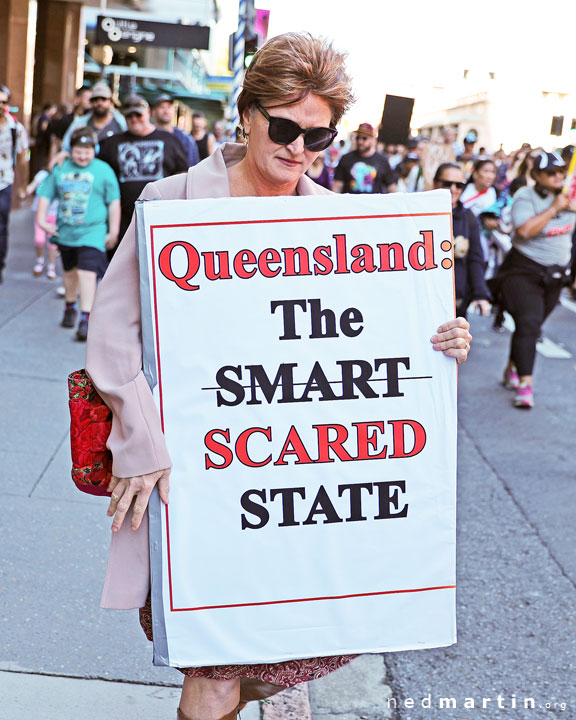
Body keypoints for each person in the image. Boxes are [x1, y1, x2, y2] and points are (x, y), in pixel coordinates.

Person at [85, 32, 472, 720]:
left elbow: (378, 334)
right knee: (213, 669)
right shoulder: (171, 202)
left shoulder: (342, 224)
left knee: (272, 660)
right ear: (247, 114)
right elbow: (113, 332)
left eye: (317, 137)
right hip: (200, 479)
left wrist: (440, 339)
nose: (298, 148)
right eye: (285, 127)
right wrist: (142, 440)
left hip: (295, 495)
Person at [495, 151, 576, 408]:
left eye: (560, 172)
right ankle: (525, 385)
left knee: (530, 326)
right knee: (529, 323)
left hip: (555, 275)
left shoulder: (569, 197)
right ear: (537, 175)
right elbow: (525, 231)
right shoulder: (525, 196)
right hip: (523, 271)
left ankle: (512, 367)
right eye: (551, 172)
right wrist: (554, 208)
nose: (557, 176)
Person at [36, 127, 120, 340]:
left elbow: (113, 202)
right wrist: (41, 220)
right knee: (70, 272)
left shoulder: (104, 170)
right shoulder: (61, 168)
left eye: (87, 150)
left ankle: (86, 317)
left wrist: (114, 230)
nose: (82, 156)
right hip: (66, 231)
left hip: (93, 231)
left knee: (87, 271)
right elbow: (46, 194)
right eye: (78, 151)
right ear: (70, 150)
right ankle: (70, 306)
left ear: (95, 149)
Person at [97, 95, 188, 254]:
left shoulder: (170, 140)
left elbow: (183, 174)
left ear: (148, 113)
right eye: (129, 116)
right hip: (124, 222)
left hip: (161, 219)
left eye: (138, 115)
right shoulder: (111, 143)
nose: (134, 119)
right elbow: (96, 170)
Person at [433, 163, 491, 318]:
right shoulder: (417, 214)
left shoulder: (468, 217)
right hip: (426, 298)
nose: (453, 189)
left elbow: (475, 258)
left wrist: (480, 293)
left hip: (456, 301)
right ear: (435, 183)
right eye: (447, 184)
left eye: (459, 185)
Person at [0, 84, 29, 283]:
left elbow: (22, 158)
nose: (0, 106)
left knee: (1, 227)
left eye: (3, 102)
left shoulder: (16, 129)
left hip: (4, 182)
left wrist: (22, 186)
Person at [332, 123, 397, 194]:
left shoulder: (382, 160)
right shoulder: (346, 158)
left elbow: (391, 186)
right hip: (349, 204)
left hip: (372, 204)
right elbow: (337, 185)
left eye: (364, 138)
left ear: (373, 139)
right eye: (358, 138)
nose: (360, 141)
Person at [19, 168, 59, 279]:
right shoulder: (42, 174)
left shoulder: (63, 175)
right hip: (40, 213)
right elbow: (30, 187)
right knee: (39, 240)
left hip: (55, 214)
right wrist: (24, 193)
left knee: (53, 243)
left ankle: (51, 266)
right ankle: (40, 261)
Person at [62, 81, 126, 151]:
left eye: (103, 99)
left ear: (110, 102)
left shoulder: (120, 123)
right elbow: (66, 146)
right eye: (95, 99)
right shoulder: (80, 123)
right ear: (91, 102)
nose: (99, 103)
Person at [151, 93, 200, 168]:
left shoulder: (185, 139)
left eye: (169, 107)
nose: (166, 111)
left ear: (174, 111)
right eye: (162, 107)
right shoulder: (147, 136)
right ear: (153, 111)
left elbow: (192, 168)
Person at [459, 159, 498, 224]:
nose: (490, 176)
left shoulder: (497, 194)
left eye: (493, 172)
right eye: (486, 171)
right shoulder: (462, 190)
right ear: (475, 174)